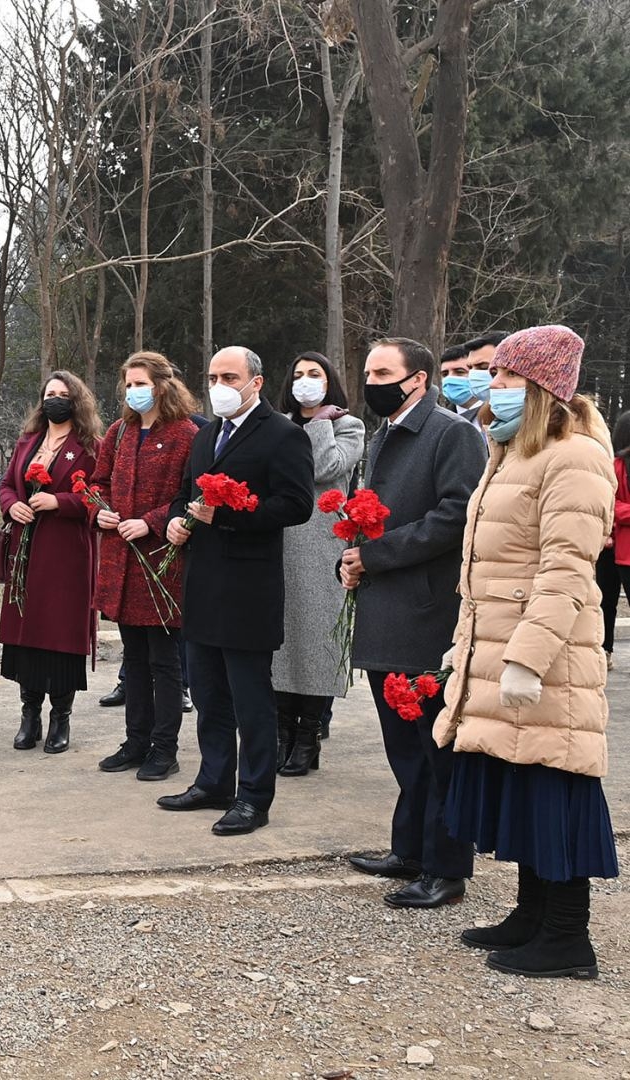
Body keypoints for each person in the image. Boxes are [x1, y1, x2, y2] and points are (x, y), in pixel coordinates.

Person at [436, 324, 618, 979]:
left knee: (551, 789)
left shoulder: (574, 456)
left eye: (509, 378)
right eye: (497, 376)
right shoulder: (511, 450)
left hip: (547, 661)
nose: (495, 387)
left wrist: (525, 658)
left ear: (543, 387)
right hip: (498, 647)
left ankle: (567, 938)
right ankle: (530, 915)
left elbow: (566, 567)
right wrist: (469, 648)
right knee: (516, 780)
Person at [340, 338, 487, 907]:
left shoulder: (451, 434)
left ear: (418, 379)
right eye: (369, 370)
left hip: (426, 613)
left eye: (384, 371)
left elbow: (456, 514)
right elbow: (368, 515)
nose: (372, 380)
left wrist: (376, 555)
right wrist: (350, 557)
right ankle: (410, 850)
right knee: (403, 745)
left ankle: (446, 869)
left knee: (435, 746)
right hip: (385, 610)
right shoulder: (382, 435)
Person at [157, 346, 315, 835]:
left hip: (249, 585)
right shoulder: (206, 435)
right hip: (203, 581)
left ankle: (253, 796)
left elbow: (295, 505)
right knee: (208, 693)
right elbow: (185, 493)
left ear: (256, 382)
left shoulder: (284, 435)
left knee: (251, 699)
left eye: (230, 376)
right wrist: (177, 521)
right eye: (212, 376)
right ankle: (213, 780)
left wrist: (226, 515)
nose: (220, 384)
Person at [91, 352, 199, 780]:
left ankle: (164, 748)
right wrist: (99, 510)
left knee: (164, 662)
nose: (132, 390)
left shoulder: (185, 434)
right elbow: (98, 483)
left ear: (162, 384)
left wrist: (151, 521)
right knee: (132, 659)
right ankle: (135, 741)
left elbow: (188, 494)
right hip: (121, 563)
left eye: (139, 382)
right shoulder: (119, 432)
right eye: (127, 383)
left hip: (161, 564)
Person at [0, 371, 102, 754]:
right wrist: (12, 506)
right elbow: (7, 484)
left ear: (77, 400)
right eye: (48, 394)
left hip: (66, 555)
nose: (54, 399)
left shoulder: (91, 446)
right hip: (26, 551)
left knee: (59, 635)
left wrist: (61, 502)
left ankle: (61, 717)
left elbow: (98, 498)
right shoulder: (28, 441)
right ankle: (30, 715)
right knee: (27, 632)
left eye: (63, 394)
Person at [270, 351, 365, 774]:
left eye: (315, 374)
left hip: (323, 547)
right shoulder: (277, 426)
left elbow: (325, 467)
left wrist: (321, 421)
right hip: (277, 543)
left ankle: (309, 735)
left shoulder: (348, 425)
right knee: (282, 642)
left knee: (316, 641)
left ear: (330, 382)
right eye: (298, 375)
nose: (305, 381)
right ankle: (282, 732)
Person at [601, 409, 630, 669]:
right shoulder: (614, 467)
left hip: (622, 545)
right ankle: (604, 650)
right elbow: (608, 503)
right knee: (604, 601)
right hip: (611, 545)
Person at [437, 344, 484, 423]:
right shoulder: (438, 420)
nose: (450, 378)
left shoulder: (497, 415)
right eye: (445, 374)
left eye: (459, 372)